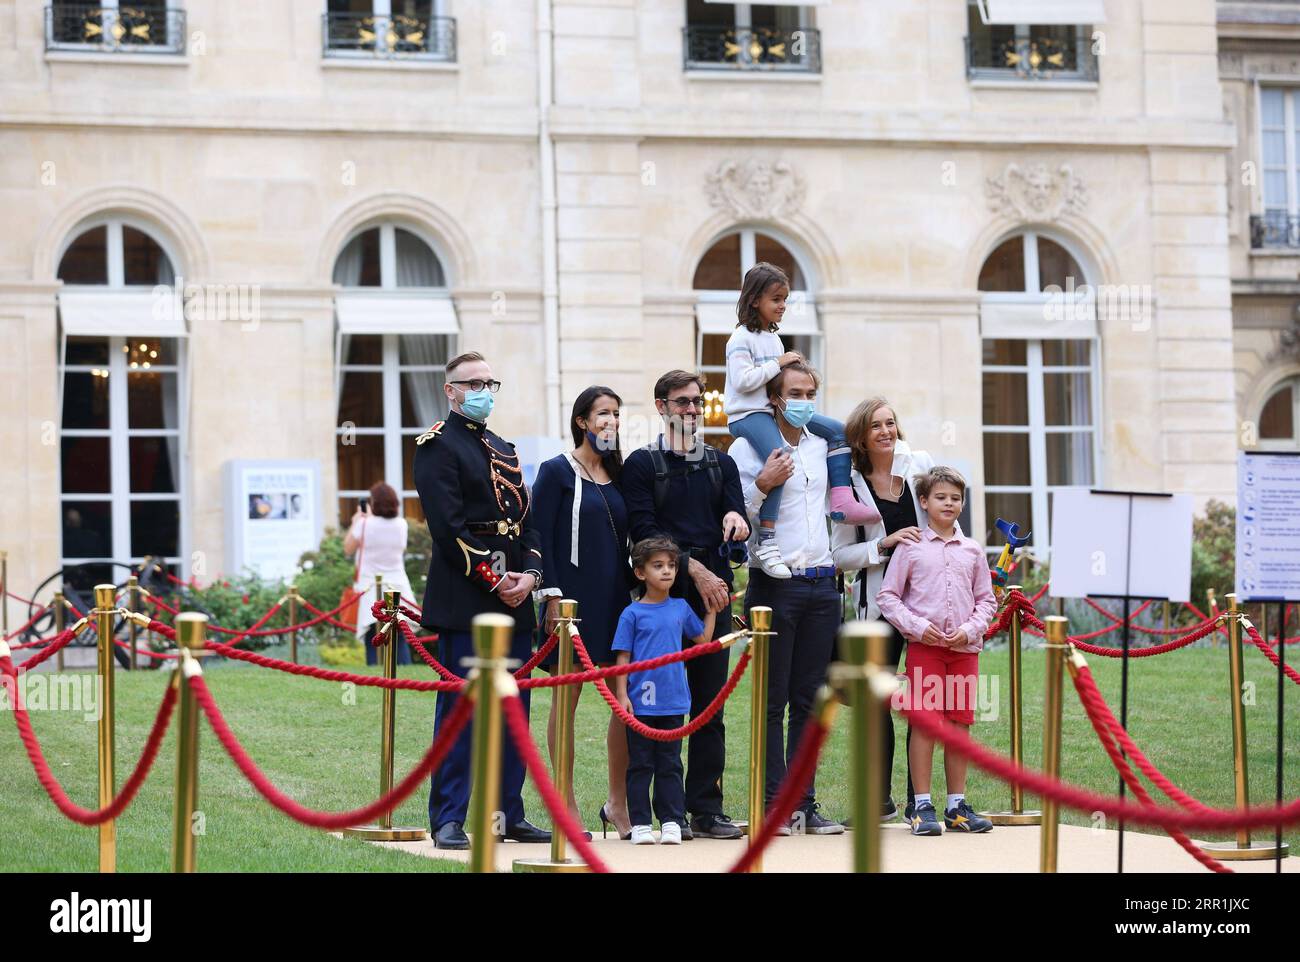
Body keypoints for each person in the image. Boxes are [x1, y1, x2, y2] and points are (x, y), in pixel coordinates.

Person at [413, 350, 552, 850]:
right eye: (472, 384)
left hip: (515, 599)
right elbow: (447, 530)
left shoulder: (504, 447)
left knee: (514, 714)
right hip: (467, 599)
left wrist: (531, 575)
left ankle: (506, 813)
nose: (482, 392)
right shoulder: (437, 447)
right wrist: (496, 580)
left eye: (490, 383)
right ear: (450, 391)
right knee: (461, 714)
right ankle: (449, 818)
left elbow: (529, 524)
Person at [621, 369, 750, 840]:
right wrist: (692, 567)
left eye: (697, 401)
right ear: (661, 407)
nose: (692, 409)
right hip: (660, 600)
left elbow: (737, 517)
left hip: (713, 596)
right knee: (652, 710)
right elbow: (643, 530)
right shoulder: (641, 464)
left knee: (710, 706)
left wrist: (738, 519)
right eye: (682, 402)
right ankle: (646, 814)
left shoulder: (722, 464)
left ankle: (704, 809)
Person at [731, 359, 843, 834]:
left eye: (809, 392)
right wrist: (764, 484)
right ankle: (773, 803)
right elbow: (737, 512)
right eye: (794, 393)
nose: (803, 401)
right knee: (773, 699)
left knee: (810, 700)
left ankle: (804, 803)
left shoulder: (822, 445)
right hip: (775, 581)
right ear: (774, 398)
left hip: (822, 582)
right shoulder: (747, 446)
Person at [724, 261, 879, 578]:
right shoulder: (740, 339)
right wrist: (777, 363)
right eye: (776, 299)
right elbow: (742, 381)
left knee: (838, 431)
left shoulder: (773, 339)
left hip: (770, 411)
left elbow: (775, 382)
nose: (782, 306)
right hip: (748, 415)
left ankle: (840, 499)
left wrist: (779, 362)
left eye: (785, 299)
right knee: (781, 459)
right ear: (755, 300)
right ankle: (768, 539)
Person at [531, 386, 633, 839]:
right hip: (569, 603)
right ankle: (564, 804)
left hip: (616, 601)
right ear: (582, 422)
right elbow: (539, 534)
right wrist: (552, 596)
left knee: (621, 703)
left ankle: (618, 802)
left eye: (615, 414)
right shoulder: (556, 471)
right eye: (602, 414)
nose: (610, 421)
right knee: (566, 702)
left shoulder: (622, 475)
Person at [876, 466, 997, 837]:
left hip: (964, 650)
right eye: (941, 497)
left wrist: (969, 630)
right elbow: (888, 596)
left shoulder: (973, 550)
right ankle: (922, 805)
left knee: (959, 726)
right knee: (926, 725)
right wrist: (917, 628)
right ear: (924, 502)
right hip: (925, 651)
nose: (949, 503)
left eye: (956, 498)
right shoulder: (910, 547)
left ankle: (956, 806)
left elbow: (987, 601)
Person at [830, 397, 934, 823]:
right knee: (877, 704)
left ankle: (919, 802)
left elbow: (950, 520)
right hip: (881, 607)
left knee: (924, 703)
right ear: (861, 436)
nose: (886, 431)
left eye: (891, 422)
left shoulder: (920, 463)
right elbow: (839, 554)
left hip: (926, 604)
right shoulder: (849, 484)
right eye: (876, 426)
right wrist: (883, 545)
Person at [612, 537, 716, 845]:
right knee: (641, 762)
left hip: (673, 702)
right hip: (641, 703)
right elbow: (623, 657)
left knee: (671, 762)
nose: (667, 572)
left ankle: (671, 819)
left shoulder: (681, 608)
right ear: (641, 573)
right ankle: (641, 822)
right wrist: (621, 694)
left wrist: (711, 608)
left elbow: (704, 640)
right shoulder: (631, 614)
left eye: (671, 566)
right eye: (658, 566)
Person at [344, 481, 414, 667]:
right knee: (399, 634)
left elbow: (348, 548)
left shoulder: (365, 524)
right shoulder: (401, 524)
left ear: (373, 502)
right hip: (398, 584)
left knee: (373, 635)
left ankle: (375, 672)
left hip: (371, 586)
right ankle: (404, 670)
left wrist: (355, 522)